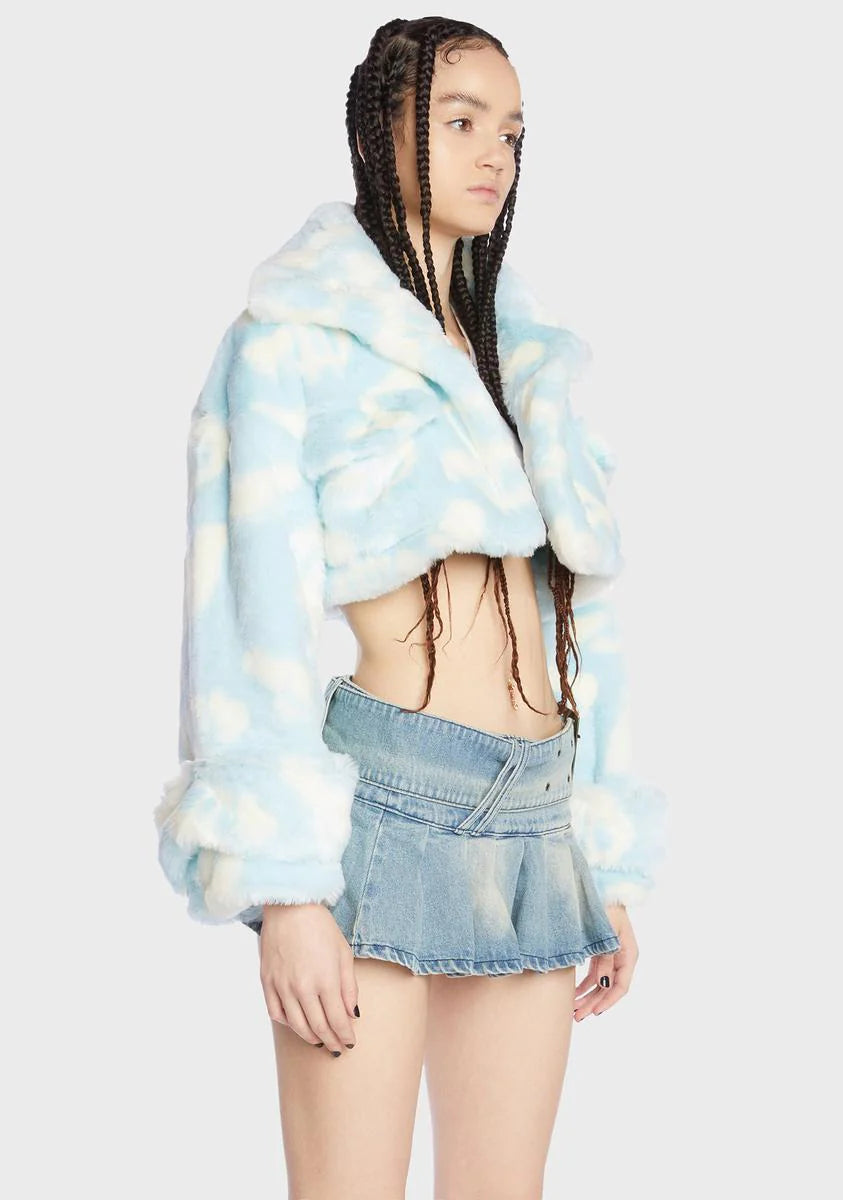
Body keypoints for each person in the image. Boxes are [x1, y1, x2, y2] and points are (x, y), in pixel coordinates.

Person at [154, 15, 668, 1198]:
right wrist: (287, 887)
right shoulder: (288, 345)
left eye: (514, 131)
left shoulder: (526, 360)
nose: (496, 153)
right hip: (379, 815)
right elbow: (244, 622)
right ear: (378, 134)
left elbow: (584, 626)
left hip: (535, 822)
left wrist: (602, 859)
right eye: (460, 120)